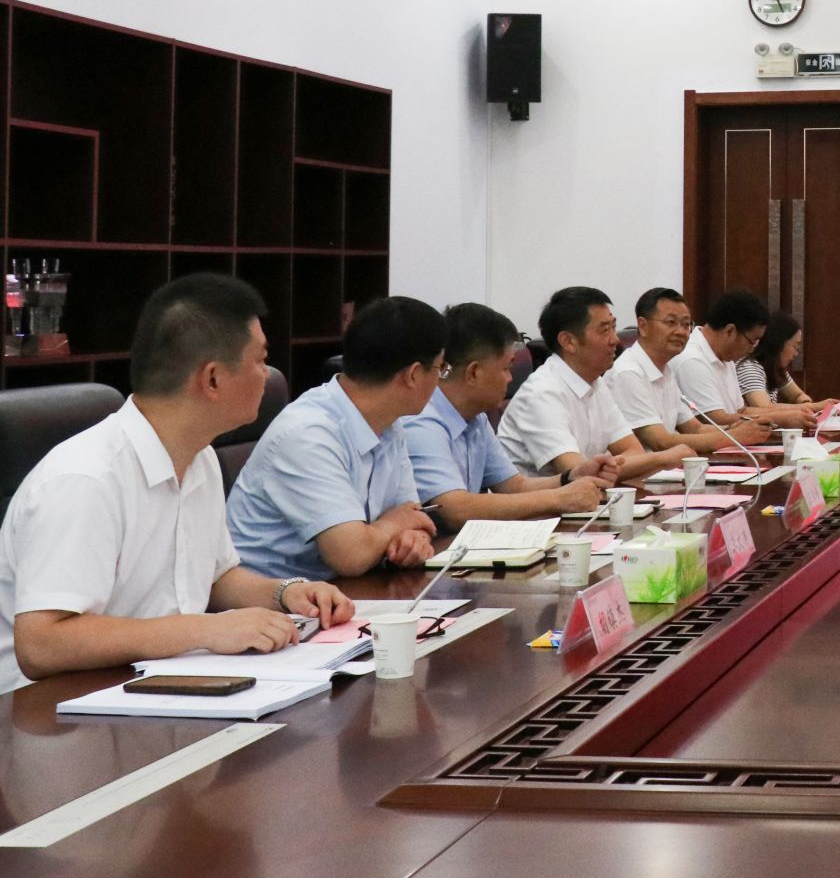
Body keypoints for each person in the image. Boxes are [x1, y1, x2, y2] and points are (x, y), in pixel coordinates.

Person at [0, 274, 353, 692]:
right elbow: (42, 644)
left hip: (149, 684)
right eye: (260, 360)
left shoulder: (199, 456)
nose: (267, 374)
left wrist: (285, 593)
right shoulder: (85, 479)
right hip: (49, 707)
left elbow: (214, 578)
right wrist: (204, 630)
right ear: (213, 379)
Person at [229, 297, 443, 580]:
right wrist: (394, 526)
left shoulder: (389, 423)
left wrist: (413, 540)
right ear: (413, 375)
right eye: (440, 369)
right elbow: (351, 555)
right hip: (270, 596)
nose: (440, 380)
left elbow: (412, 515)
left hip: (339, 589)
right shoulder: (308, 434)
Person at [402, 303, 613, 532]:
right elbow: (456, 509)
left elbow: (515, 486)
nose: (510, 378)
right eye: (506, 368)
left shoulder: (476, 418)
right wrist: (559, 499)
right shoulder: (422, 422)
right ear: (474, 372)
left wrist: (571, 477)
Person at [496, 287, 699, 480]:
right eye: (604, 330)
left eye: (613, 328)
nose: (615, 340)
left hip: (586, 499)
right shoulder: (542, 393)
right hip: (540, 504)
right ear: (568, 341)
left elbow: (633, 451)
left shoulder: (596, 383)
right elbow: (578, 473)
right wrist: (662, 458)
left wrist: (616, 465)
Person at [608, 288, 773, 455]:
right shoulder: (628, 373)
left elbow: (695, 428)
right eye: (671, 322)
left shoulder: (665, 370)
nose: (681, 332)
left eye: (686, 324)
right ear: (643, 326)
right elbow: (660, 442)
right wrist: (734, 436)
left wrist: (734, 429)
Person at [676, 289, 814, 431]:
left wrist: (792, 413)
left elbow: (741, 411)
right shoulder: (692, 360)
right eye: (753, 341)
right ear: (730, 331)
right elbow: (716, 419)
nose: (753, 348)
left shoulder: (726, 357)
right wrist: (781, 419)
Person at [738, 311, 833, 417]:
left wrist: (806, 405)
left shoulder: (775, 369)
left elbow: (797, 395)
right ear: (778, 343)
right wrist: (813, 407)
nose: (796, 354)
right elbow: (764, 408)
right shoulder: (749, 367)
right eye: (796, 346)